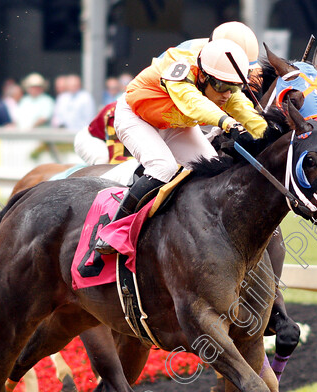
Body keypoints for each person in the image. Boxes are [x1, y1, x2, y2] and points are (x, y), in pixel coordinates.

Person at [93, 38, 266, 254]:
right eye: (221, 86)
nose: (227, 95)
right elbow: (194, 103)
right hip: (136, 117)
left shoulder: (223, 84)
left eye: (234, 87)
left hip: (175, 123)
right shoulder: (181, 69)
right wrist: (227, 122)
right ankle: (114, 231)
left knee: (212, 167)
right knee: (163, 168)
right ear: (202, 76)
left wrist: (266, 132)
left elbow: (245, 110)